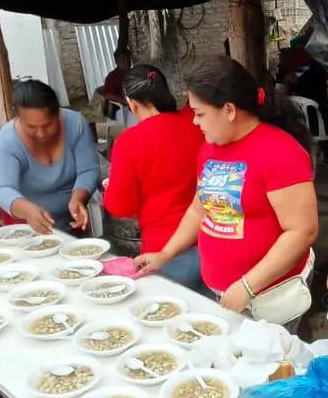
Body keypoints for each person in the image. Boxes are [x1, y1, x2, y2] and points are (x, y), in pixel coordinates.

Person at [135, 56, 318, 319]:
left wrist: (247, 286)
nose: (194, 122)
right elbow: (199, 210)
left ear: (229, 110)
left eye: (199, 114)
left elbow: (301, 232)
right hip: (224, 291)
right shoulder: (210, 147)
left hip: (266, 297)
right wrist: (164, 255)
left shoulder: (280, 152)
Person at [102, 64, 205, 292]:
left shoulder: (130, 143)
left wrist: (111, 188)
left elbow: (121, 207)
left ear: (131, 103)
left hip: (165, 251)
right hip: (211, 242)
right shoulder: (196, 121)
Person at [0, 78, 99, 235]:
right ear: (18, 118)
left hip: (71, 221)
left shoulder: (76, 124)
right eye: (31, 127)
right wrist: (28, 210)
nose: (41, 134)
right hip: (26, 225)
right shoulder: (5, 142)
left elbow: (88, 170)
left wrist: (78, 199)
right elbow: (3, 188)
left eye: (48, 125)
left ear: (58, 113)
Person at [96, 47, 132, 120]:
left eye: (129, 60)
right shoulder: (113, 77)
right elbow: (108, 95)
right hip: (121, 108)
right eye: (123, 60)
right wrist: (125, 101)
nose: (127, 63)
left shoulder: (133, 72)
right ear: (117, 62)